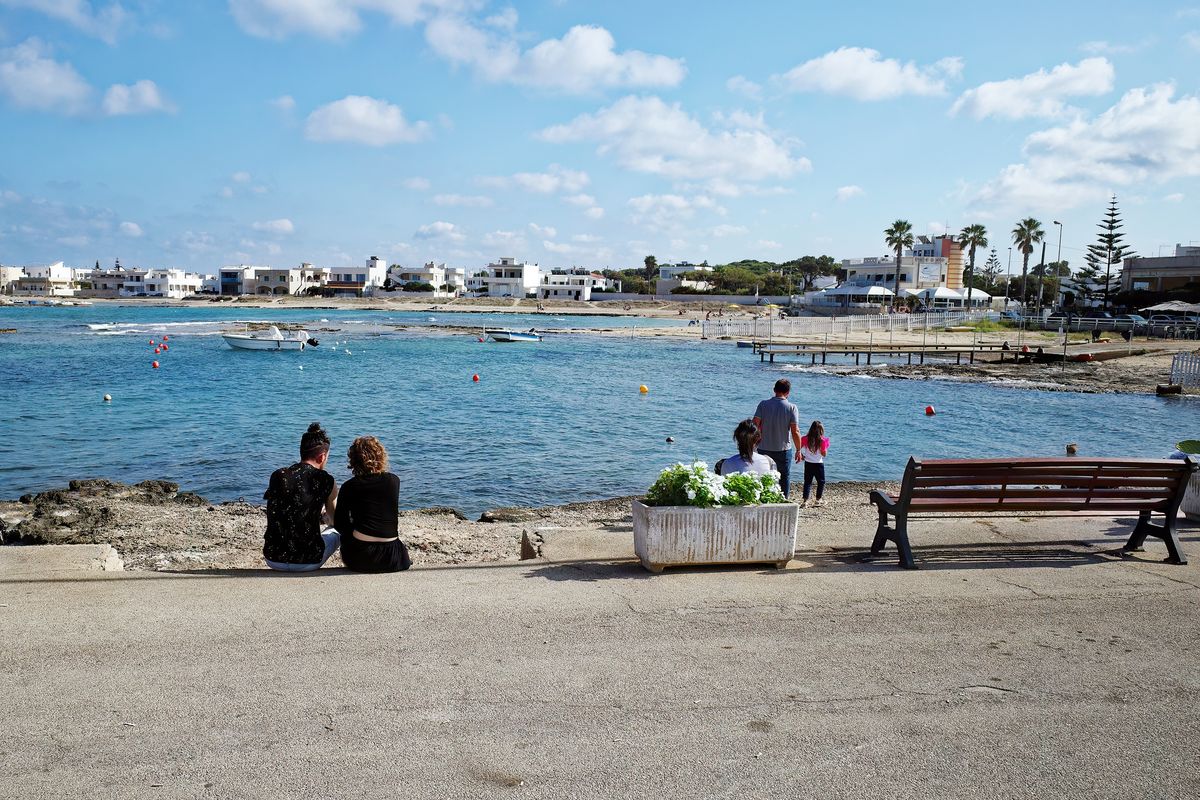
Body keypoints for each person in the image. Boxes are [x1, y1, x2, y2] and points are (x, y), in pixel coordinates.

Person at [263, 422, 340, 572]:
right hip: (308, 561)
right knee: (336, 532)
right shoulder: (326, 480)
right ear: (322, 456)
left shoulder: (278, 475)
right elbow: (336, 520)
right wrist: (325, 517)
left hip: (273, 558)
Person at [335, 436, 412, 573]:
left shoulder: (349, 486)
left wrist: (354, 527)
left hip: (362, 557)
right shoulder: (394, 481)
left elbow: (340, 524)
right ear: (381, 456)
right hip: (393, 557)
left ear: (354, 460)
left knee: (344, 535)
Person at [753, 378, 803, 499]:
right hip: (783, 449)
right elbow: (795, 431)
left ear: (774, 390)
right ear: (788, 392)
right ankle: (783, 500)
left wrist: (753, 444)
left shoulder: (763, 404)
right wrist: (798, 450)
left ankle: (764, 499)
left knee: (764, 475)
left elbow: (755, 424)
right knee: (784, 477)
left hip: (764, 447)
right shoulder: (792, 407)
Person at [799, 420, 830, 507]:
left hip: (808, 463)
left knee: (807, 482)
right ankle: (818, 500)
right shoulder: (823, 441)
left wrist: (802, 455)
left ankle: (805, 501)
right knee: (821, 482)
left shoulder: (805, 439)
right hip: (818, 464)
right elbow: (824, 454)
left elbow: (798, 448)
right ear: (821, 430)